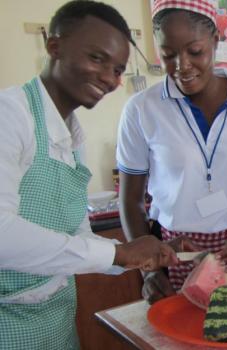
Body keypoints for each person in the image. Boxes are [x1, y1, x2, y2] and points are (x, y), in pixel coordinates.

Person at [0, 1, 182, 349]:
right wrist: (118, 256)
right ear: (54, 46)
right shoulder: (9, 115)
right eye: (97, 58)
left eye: (117, 69)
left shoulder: (71, 138)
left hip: (55, 322)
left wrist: (138, 252)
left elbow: (77, 235)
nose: (109, 79)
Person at [117, 0, 227, 304]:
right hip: (174, 256)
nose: (181, 66)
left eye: (194, 52)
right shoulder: (141, 109)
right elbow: (130, 199)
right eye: (168, 55)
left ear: (215, 41)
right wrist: (150, 270)